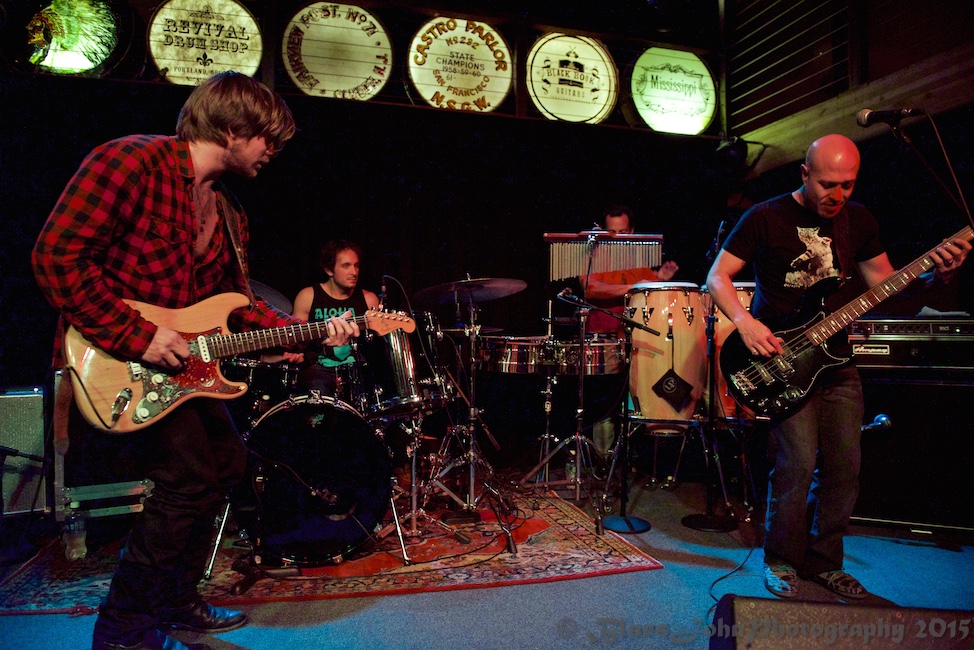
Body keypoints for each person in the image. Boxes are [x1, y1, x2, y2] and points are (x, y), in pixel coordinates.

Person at [32, 71, 359, 650]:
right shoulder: (129, 162)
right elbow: (56, 257)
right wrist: (136, 336)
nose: (272, 152)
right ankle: (124, 629)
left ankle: (175, 602)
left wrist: (312, 331)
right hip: (115, 358)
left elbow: (237, 311)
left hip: (182, 372)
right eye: (267, 138)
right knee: (188, 478)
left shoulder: (230, 217)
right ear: (232, 127)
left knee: (227, 467)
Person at [706, 134, 970, 600]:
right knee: (797, 464)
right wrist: (745, 323)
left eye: (847, 185)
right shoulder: (765, 217)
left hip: (837, 360)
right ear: (804, 174)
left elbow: (885, 284)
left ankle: (826, 562)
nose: (837, 195)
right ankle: (782, 559)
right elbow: (717, 276)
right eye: (828, 184)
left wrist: (934, 275)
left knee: (846, 468)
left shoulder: (859, 219)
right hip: (782, 357)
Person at [291, 239, 380, 400]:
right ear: (329, 269)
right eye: (346, 266)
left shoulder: (369, 299)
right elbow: (296, 343)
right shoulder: (307, 296)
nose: (354, 272)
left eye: (356, 265)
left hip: (356, 372)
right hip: (317, 369)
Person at [581, 205, 680, 337]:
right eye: (612, 232)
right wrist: (632, 288)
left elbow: (647, 292)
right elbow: (590, 288)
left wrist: (659, 280)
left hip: (636, 336)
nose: (617, 237)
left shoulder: (637, 260)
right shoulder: (594, 255)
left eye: (622, 232)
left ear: (631, 231)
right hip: (603, 337)